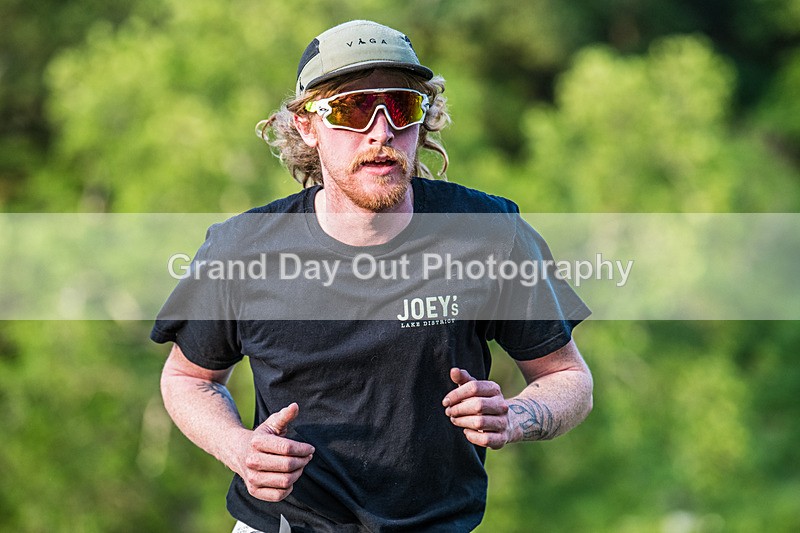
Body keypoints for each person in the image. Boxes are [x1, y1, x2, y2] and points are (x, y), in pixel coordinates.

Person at [153, 19, 593, 533]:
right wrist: (238, 447)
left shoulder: (488, 233)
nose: (382, 132)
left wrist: (515, 417)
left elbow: (568, 378)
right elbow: (187, 379)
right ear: (307, 125)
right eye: (353, 109)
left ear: (423, 122)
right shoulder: (240, 248)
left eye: (402, 107)